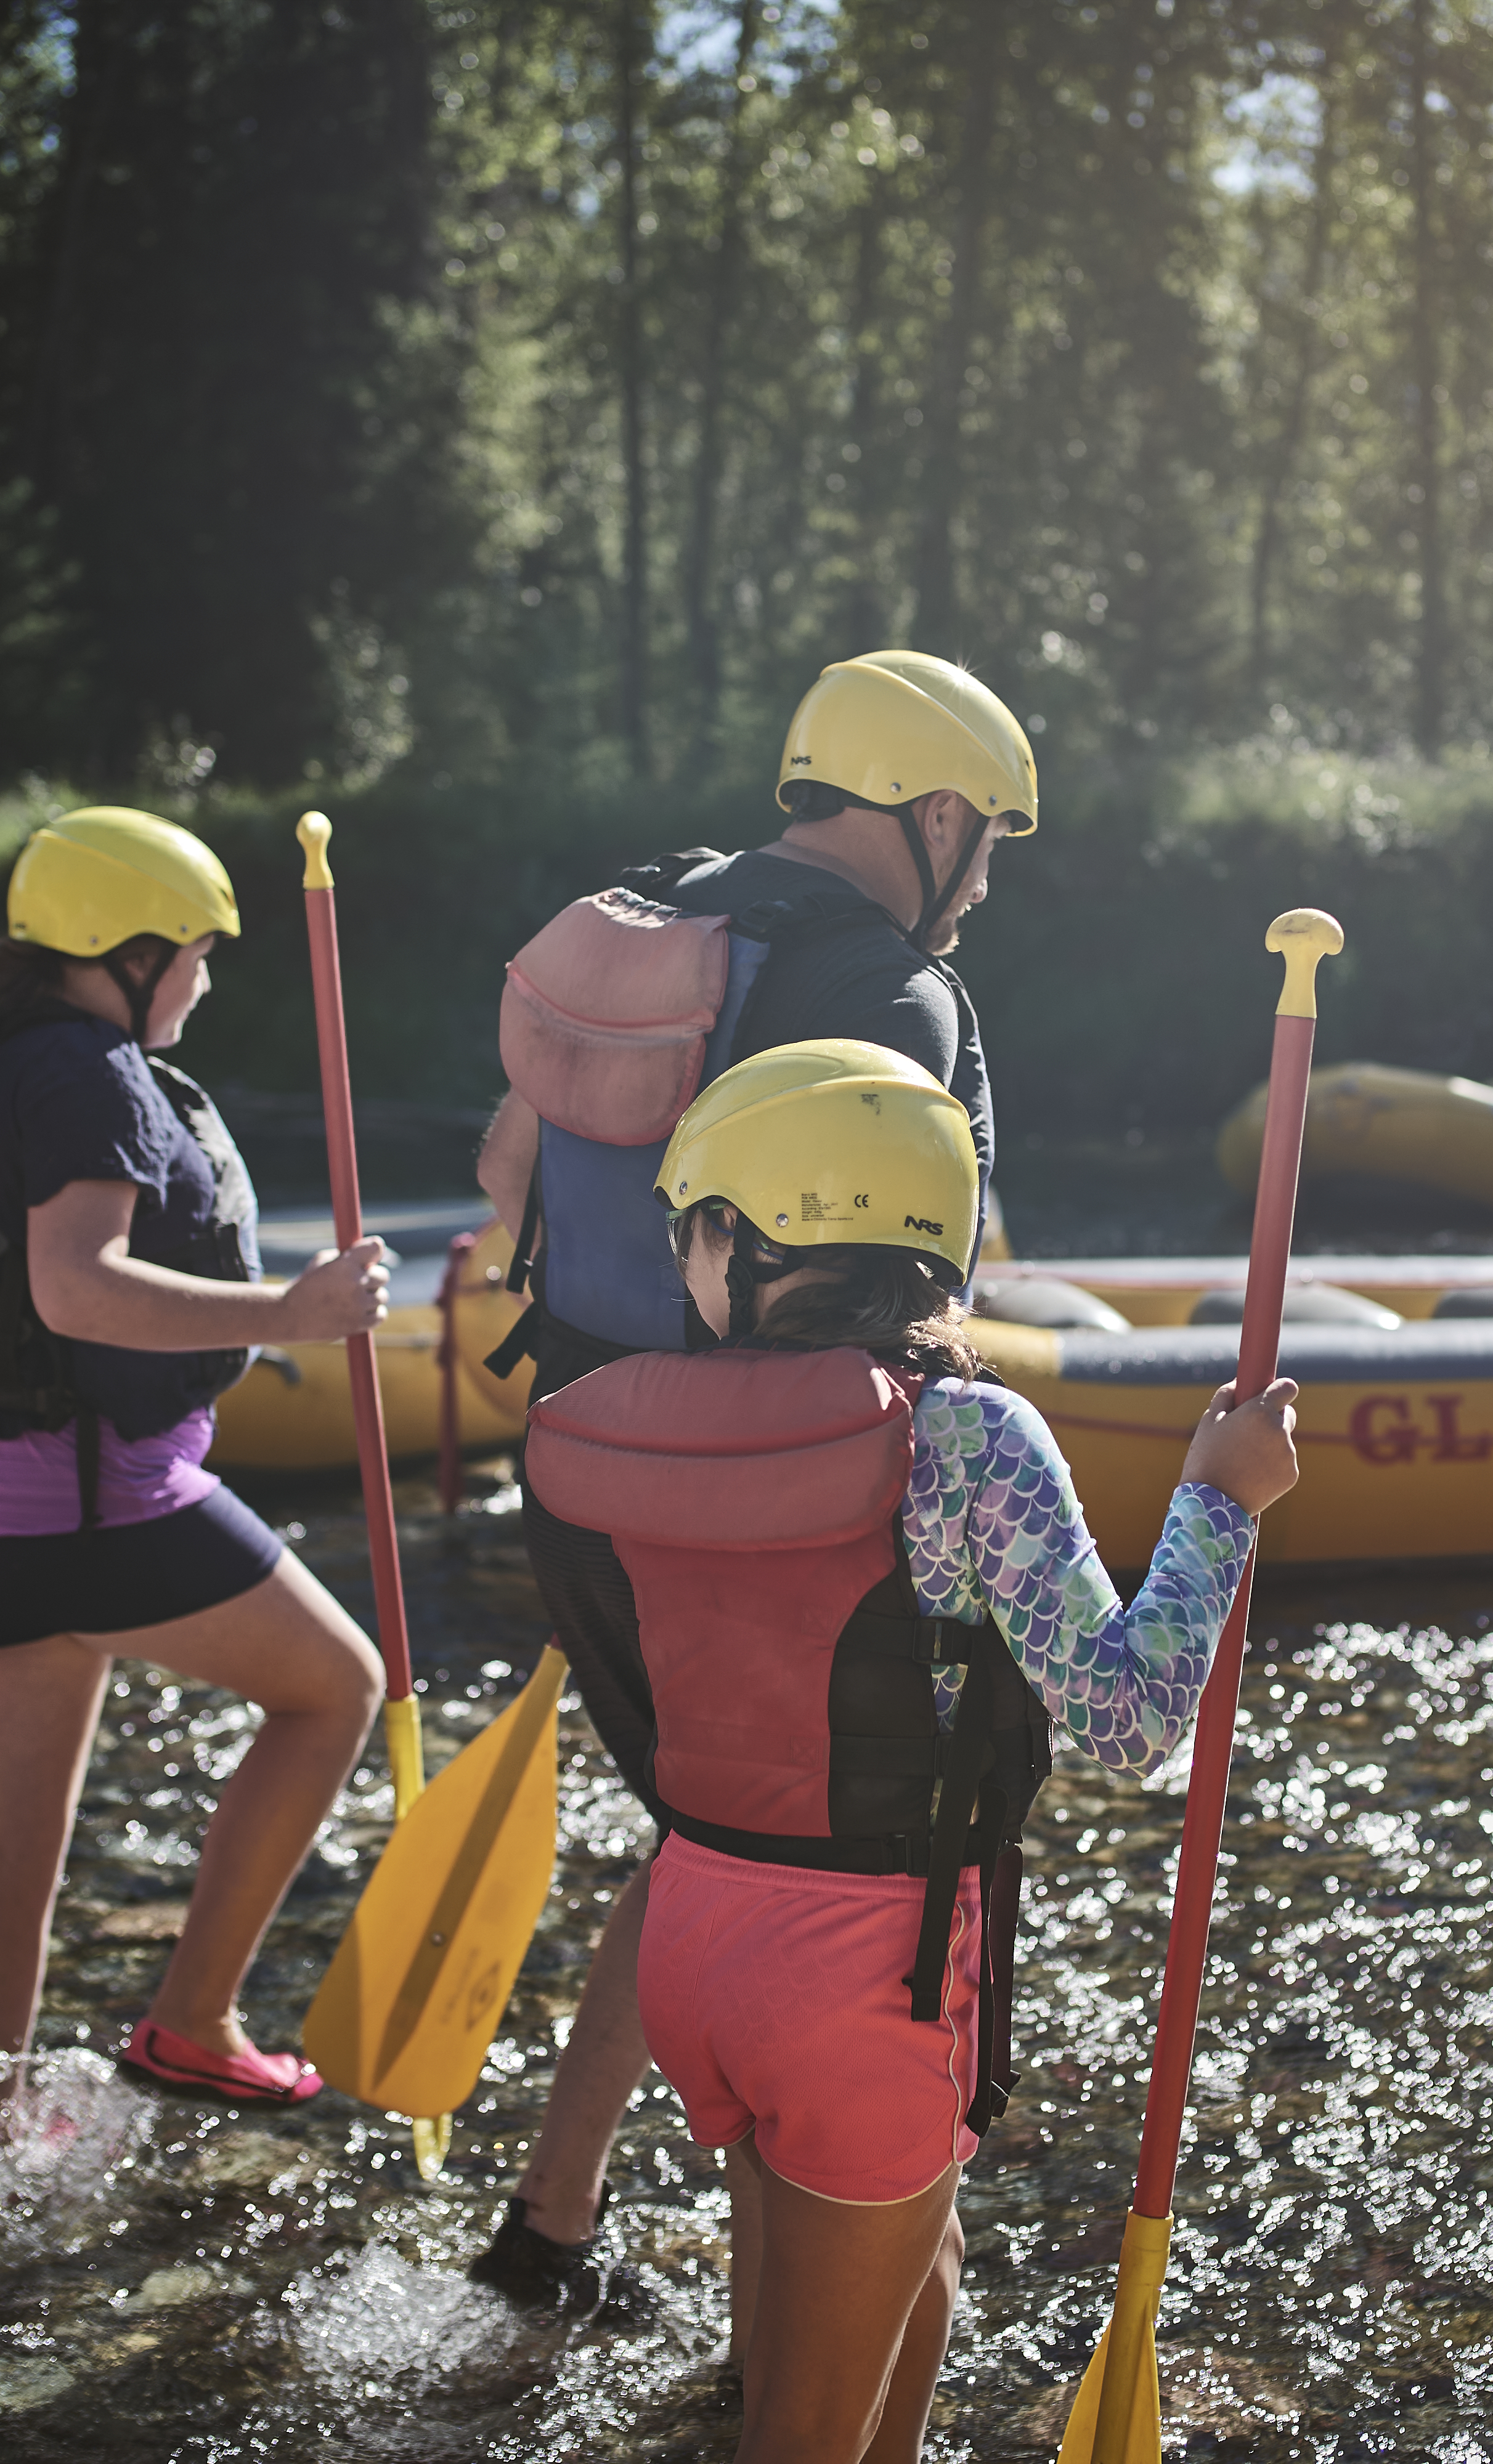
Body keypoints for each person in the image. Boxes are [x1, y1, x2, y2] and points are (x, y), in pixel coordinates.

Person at [521, 1040, 1298, 2459]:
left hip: (692, 1936)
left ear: (740, 1240)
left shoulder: (637, 1424)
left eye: (695, 1222)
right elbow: (1126, 1717)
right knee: (808, 2428)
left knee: (894, 2293)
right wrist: (1216, 1504)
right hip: (861, 1975)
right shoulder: (970, 1437)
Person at [467, 652, 1033, 2311]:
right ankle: (789, 2310)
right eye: (987, 838)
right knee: (777, 1850)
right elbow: (919, 1272)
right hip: (776, 1498)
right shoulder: (891, 990)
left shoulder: (654, 924)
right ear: (932, 812)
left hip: (590, 1463)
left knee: (704, 1835)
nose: (986, 881)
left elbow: (512, 1166)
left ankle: (553, 2229)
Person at [0, 808, 392, 2104]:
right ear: (129, 950)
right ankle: (196, 2014)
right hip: (90, 1494)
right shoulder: (85, 1073)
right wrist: (292, 1313)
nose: (207, 979)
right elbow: (76, 1289)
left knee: (14, 1845)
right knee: (339, 1688)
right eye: (198, 952)